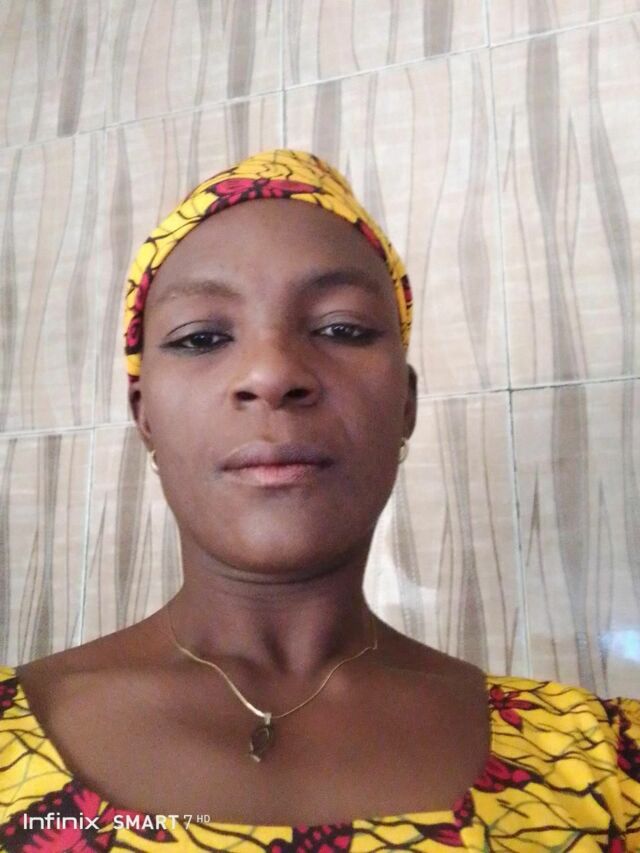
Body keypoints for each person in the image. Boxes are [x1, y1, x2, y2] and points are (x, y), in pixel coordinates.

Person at [0, 149, 638, 852]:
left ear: (405, 405)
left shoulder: (605, 765)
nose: (272, 373)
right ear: (143, 412)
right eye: (203, 337)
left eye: (341, 328)